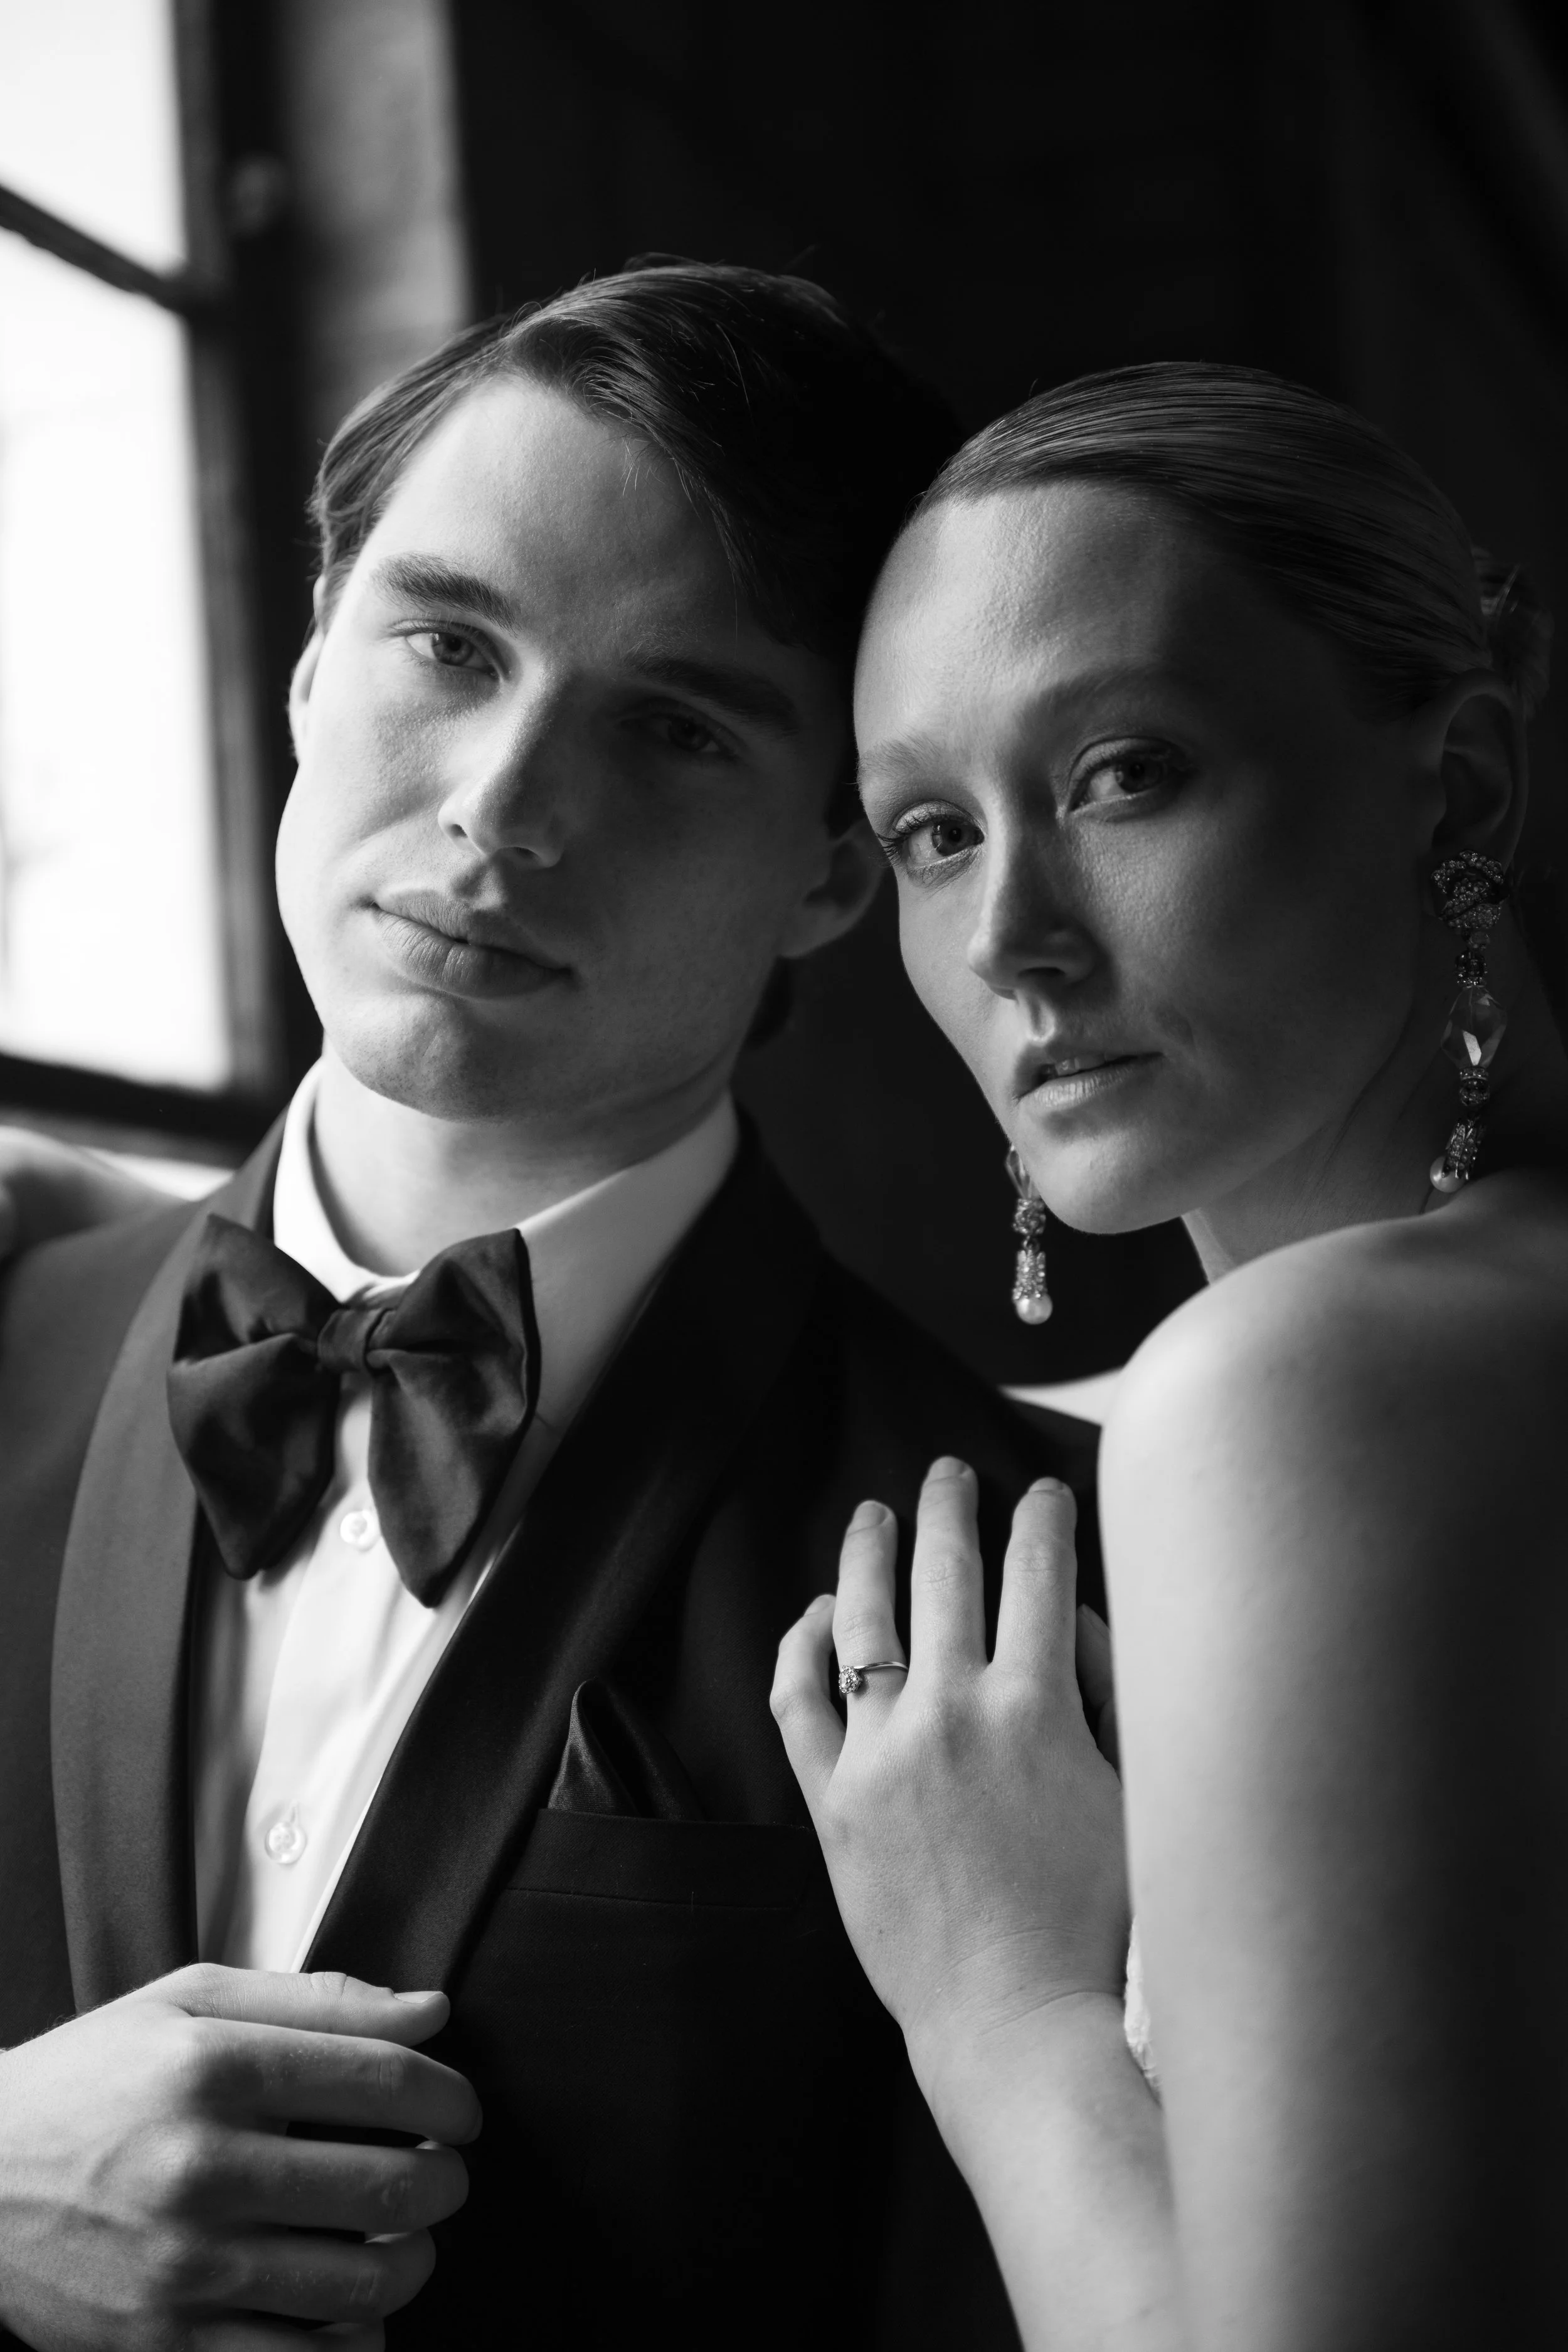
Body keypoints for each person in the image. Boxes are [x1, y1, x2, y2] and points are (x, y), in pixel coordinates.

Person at [0, 264, 1101, 2351]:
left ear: (833, 873)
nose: (503, 803)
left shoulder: (1025, 1567)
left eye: (677, 727)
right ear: (315, 660)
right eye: (445, 640)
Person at [771, 361, 1568, 2348]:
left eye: (1121, 772)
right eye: (931, 834)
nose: (1010, 939)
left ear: (1454, 780)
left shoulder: (1301, 1387)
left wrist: (1004, 1996)